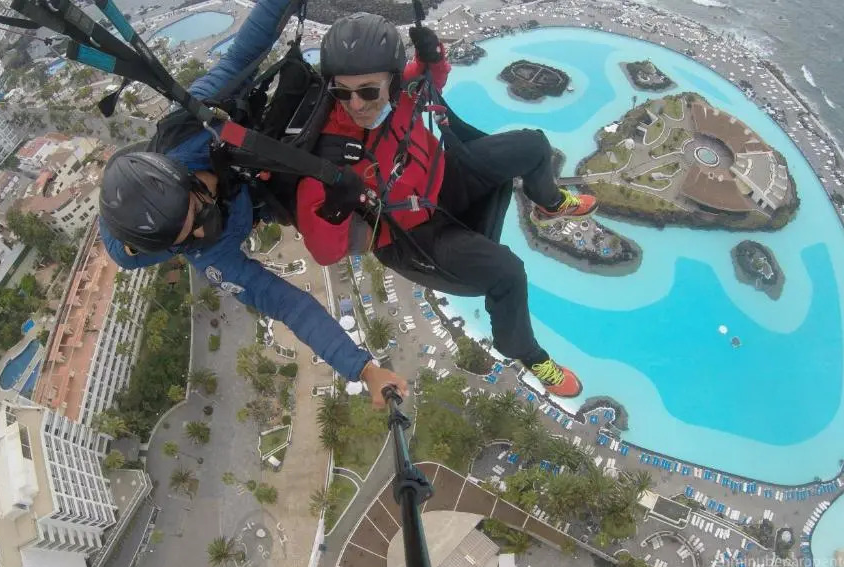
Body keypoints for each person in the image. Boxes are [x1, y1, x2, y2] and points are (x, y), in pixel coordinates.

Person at [97, 0, 407, 408]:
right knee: (359, 235)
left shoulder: (193, 126)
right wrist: (363, 369)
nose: (203, 229)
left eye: (199, 210)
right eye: (186, 239)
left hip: (249, 150)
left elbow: (246, 51)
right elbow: (287, 304)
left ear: (185, 176)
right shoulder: (210, 253)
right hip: (262, 191)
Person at [295, 14, 599, 398]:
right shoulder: (328, 157)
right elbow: (324, 253)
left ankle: (550, 203)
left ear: (391, 82)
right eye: (343, 92)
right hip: (411, 237)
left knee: (534, 146)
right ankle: (528, 354)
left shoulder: (401, 93)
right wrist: (336, 205)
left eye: (368, 91)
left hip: (443, 180)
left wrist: (433, 53)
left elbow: (432, 78)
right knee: (507, 272)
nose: (356, 104)